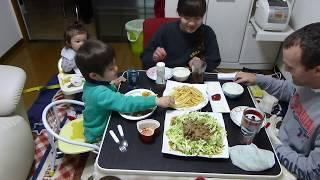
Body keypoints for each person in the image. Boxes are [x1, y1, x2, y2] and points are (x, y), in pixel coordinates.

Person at [235, 22, 320, 180]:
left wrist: (274, 145)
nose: (285, 70)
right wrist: (257, 79)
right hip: (277, 141)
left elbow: (312, 172)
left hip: (292, 168)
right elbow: (289, 90)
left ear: (317, 70)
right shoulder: (308, 83)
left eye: (291, 68)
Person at [75, 40, 175, 143]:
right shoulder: (99, 94)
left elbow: (105, 92)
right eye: (111, 68)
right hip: (99, 133)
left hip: (102, 119)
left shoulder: (93, 83)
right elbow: (125, 103)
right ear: (94, 75)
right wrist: (156, 101)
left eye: (114, 64)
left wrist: (113, 83)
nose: (116, 68)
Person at [141, 0, 221, 72]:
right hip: (168, 77)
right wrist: (154, 57)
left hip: (195, 76)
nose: (191, 24)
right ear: (179, 14)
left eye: (197, 19)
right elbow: (145, 59)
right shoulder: (165, 31)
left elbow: (214, 60)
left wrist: (202, 64)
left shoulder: (207, 33)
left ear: (202, 16)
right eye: (186, 18)